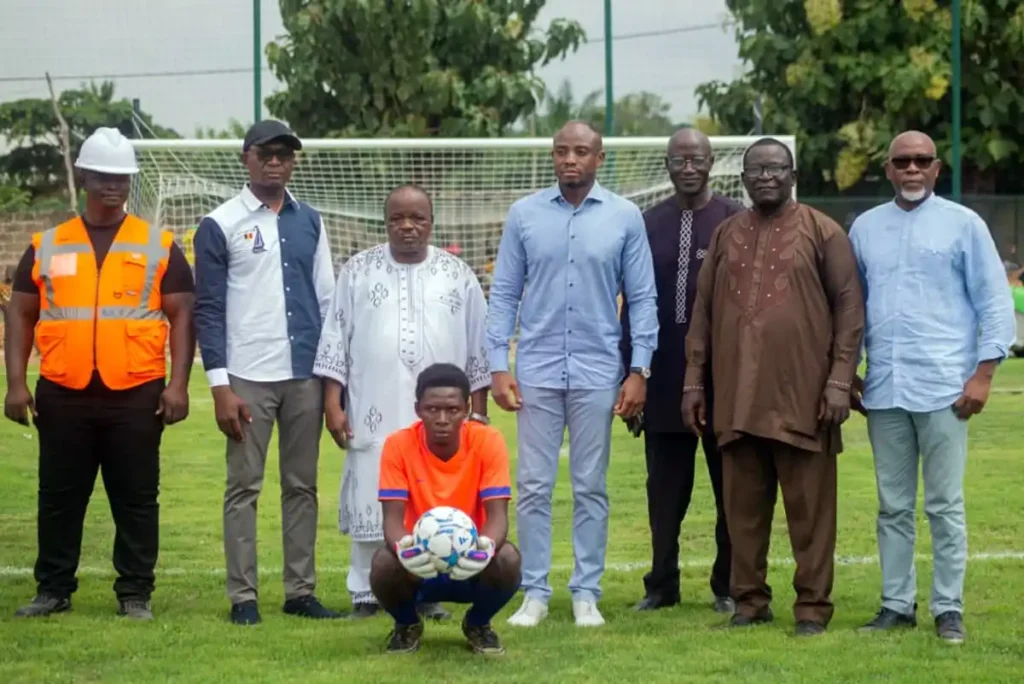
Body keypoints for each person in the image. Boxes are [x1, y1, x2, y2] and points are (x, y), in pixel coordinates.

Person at [4, 127, 195, 620]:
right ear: (83, 175)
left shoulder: (158, 245)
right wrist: (17, 383)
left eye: (122, 177)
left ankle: (135, 593)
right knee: (59, 498)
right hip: (63, 392)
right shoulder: (47, 244)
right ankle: (53, 590)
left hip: (136, 391)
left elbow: (182, 316)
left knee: (136, 499)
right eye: (103, 175)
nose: (113, 184)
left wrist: (178, 385)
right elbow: (20, 314)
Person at [682, 137, 864, 636]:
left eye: (775, 168)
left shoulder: (823, 232)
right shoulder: (725, 234)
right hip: (737, 398)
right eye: (756, 170)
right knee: (742, 512)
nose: (766, 176)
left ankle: (812, 609)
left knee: (811, 515)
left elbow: (849, 309)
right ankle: (749, 602)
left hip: (804, 397)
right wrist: (693, 382)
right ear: (742, 179)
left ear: (793, 175)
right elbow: (703, 312)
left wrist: (839, 382)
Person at [487, 120, 659, 628]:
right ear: (553, 156)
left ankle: (586, 592)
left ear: (599, 159)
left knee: (590, 485)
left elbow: (643, 298)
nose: (570, 159)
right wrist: (499, 364)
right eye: (562, 151)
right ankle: (534, 593)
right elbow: (504, 294)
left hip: (598, 368)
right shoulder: (524, 215)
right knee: (534, 484)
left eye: (581, 151)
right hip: (536, 368)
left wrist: (639, 369)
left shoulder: (625, 217)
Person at [849, 131, 1015, 645]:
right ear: (889, 168)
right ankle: (897, 604)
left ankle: (948, 607)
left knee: (944, 504)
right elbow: (852, 307)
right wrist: (847, 371)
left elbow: (994, 303)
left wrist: (984, 375)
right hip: (884, 389)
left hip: (947, 387)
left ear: (937, 168)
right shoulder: (864, 228)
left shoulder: (964, 225)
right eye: (904, 162)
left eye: (923, 161)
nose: (913, 169)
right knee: (892, 505)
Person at [313, 183, 491, 620]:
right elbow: (335, 338)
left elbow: (478, 348)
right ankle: (364, 592)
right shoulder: (357, 270)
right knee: (373, 491)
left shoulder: (458, 274)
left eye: (417, 218)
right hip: (373, 406)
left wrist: (480, 411)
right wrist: (332, 404)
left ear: (432, 223)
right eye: (397, 218)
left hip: (442, 416)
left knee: (432, 497)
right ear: (385, 222)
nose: (407, 226)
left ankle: (425, 591)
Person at [193, 119, 340, 625]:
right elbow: (208, 310)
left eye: (284, 153)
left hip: (304, 374)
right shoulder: (220, 223)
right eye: (265, 153)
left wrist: (333, 376)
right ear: (246, 158)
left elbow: (327, 299)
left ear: (293, 160)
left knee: (302, 486)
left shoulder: (312, 221)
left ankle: (300, 592)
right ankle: (243, 598)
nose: (275, 161)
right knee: (244, 488)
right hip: (248, 377)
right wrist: (220, 386)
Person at [619, 128, 742, 613]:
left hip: (723, 376)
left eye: (697, 159)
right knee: (664, 492)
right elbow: (630, 304)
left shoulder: (736, 219)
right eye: (678, 160)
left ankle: (728, 585)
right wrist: (632, 374)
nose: (688, 168)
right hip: (662, 372)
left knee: (730, 487)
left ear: (712, 162)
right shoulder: (646, 223)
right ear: (667, 165)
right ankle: (661, 585)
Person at [370, 363, 520, 655]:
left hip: (471, 563)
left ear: (465, 409)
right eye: (432, 409)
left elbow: (498, 516)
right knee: (383, 564)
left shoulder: (488, 440)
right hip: (420, 565)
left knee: (509, 559)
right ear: (417, 409)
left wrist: (485, 548)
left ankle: (478, 624)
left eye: (451, 410)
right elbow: (392, 520)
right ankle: (407, 624)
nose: (441, 419)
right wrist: (404, 549)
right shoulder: (397, 445)